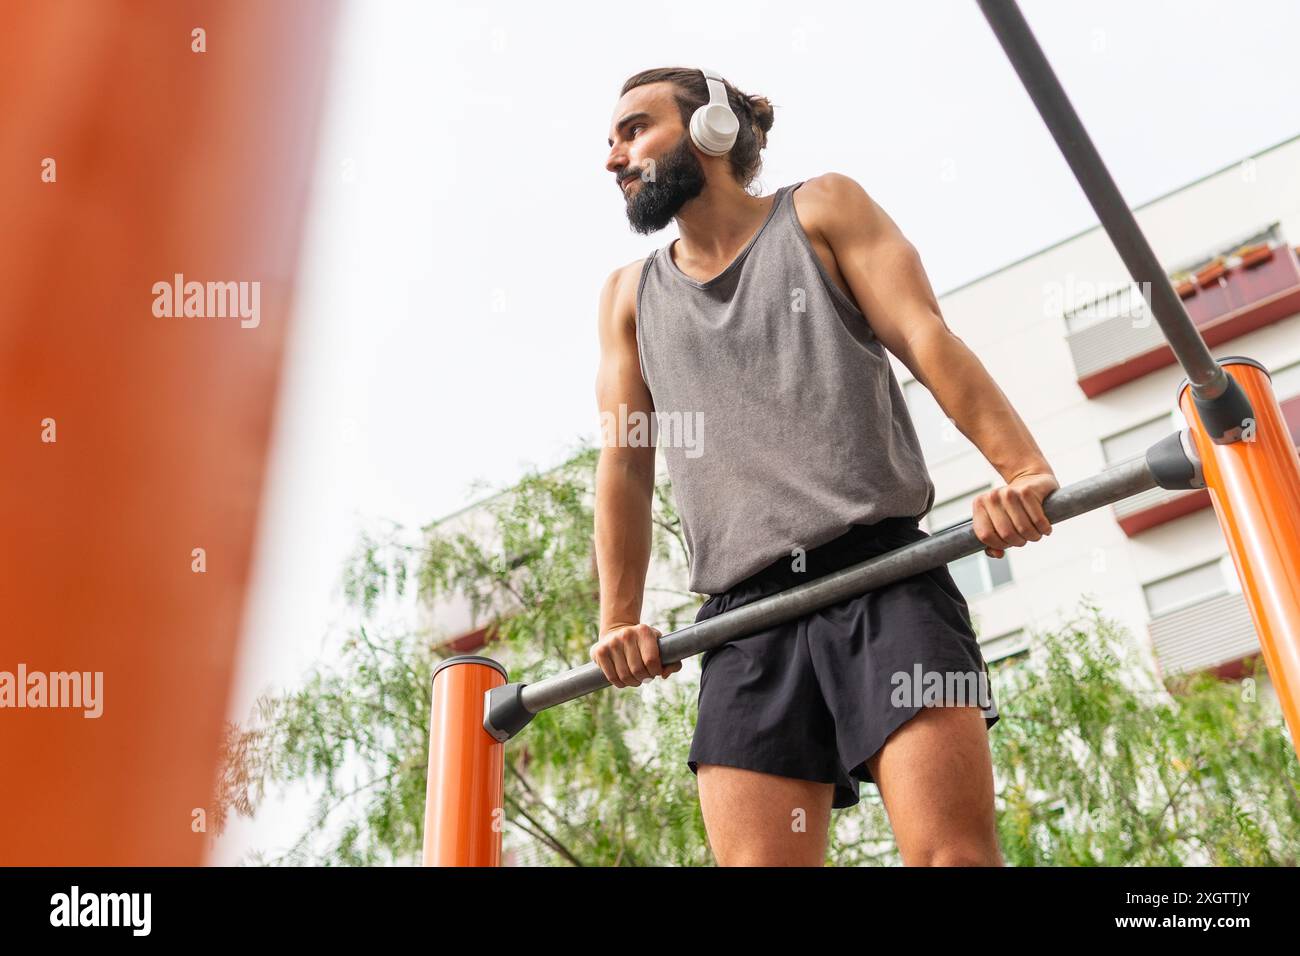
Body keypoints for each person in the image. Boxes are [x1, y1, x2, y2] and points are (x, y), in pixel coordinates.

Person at [591, 66, 1059, 866]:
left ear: (712, 128)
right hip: (743, 623)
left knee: (952, 856)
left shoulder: (823, 209)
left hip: (886, 578)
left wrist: (1021, 469)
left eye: (635, 128)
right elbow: (626, 464)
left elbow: (924, 337)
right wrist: (618, 618)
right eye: (609, 141)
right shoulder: (628, 297)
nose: (612, 157)